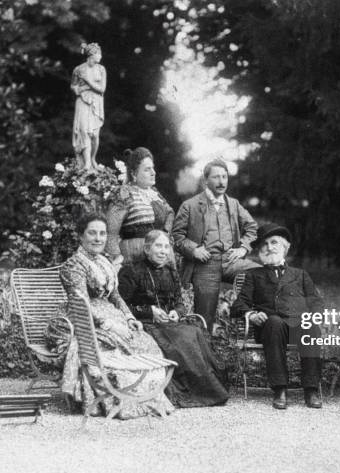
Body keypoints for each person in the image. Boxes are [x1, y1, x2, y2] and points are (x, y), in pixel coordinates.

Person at [52, 213, 174, 419]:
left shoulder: (104, 261)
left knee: (145, 343)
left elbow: (115, 295)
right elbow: (81, 302)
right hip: (83, 319)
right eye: (92, 233)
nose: (98, 238)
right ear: (81, 236)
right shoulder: (73, 266)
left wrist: (128, 318)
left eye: (102, 233)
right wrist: (109, 324)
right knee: (116, 347)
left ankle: (145, 398)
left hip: (112, 314)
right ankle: (117, 401)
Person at [118, 230, 229, 408]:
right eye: (158, 246)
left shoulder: (170, 272)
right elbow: (121, 306)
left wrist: (176, 312)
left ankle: (207, 390)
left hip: (170, 323)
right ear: (147, 249)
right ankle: (192, 392)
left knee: (194, 331)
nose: (163, 251)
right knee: (183, 338)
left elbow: (179, 303)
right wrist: (149, 311)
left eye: (166, 246)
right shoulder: (131, 271)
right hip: (144, 324)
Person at [231, 223, 324, 410]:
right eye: (264, 244)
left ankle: (311, 389)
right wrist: (251, 314)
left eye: (274, 242)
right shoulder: (253, 275)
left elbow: (316, 302)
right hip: (270, 327)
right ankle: (280, 389)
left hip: (298, 325)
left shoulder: (300, 274)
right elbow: (239, 304)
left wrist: (314, 316)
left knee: (310, 326)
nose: (269, 247)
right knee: (274, 322)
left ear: (285, 247)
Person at [172, 158, 258, 329]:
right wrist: (194, 249)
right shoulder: (190, 206)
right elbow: (176, 236)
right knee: (204, 320)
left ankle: (235, 311)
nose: (221, 182)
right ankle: (207, 343)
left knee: (261, 274)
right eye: (216, 177)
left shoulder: (233, 204)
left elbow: (252, 227)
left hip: (230, 260)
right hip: (205, 264)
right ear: (206, 180)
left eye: (224, 177)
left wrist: (242, 248)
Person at [105, 147, 174, 268]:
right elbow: (111, 232)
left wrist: (165, 234)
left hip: (160, 255)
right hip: (134, 255)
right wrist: (116, 259)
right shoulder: (124, 193)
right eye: (147, 169)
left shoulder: (155, 194)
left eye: (152, 168)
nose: (154, 172)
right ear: (133, 173)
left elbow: (170, 213)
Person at [71, 42, 106, 170]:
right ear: (92, 55)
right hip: (82, 102)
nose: (100, 56)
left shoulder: (101, 69)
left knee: (95, 135)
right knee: (84, 132)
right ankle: (86, 163)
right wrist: (78, 90)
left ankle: (92, 158)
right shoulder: (79, 69)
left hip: (96, 103)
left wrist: (87, 81)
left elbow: (102, 89)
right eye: (99, 53)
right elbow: (73, 85)